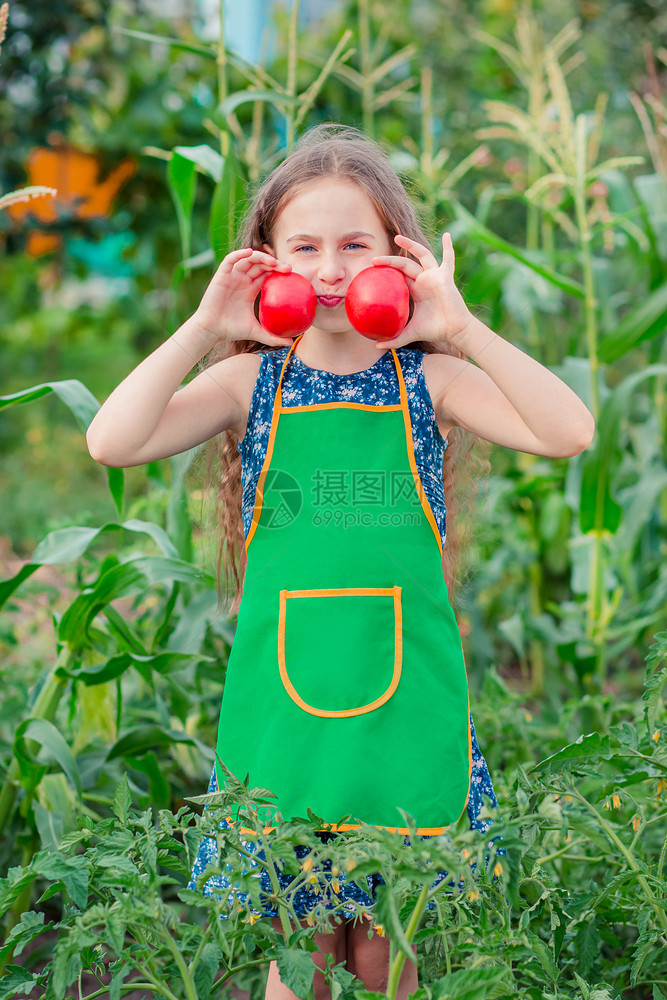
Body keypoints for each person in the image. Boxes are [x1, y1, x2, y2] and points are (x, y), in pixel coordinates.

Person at [86, 123, 595, 999]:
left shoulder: (427, 381)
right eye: (304, 247)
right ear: (265, 261)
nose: (328, 268)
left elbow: (569, 431)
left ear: (399, 255)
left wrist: (462, 327)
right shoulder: (252, 384)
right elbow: (111, 440)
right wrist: (207, 324)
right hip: (289, 708)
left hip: (405, 704)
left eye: (354, 244)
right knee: (305, 956)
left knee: (385, 954)